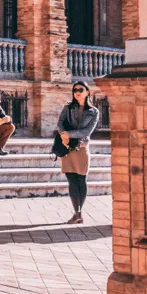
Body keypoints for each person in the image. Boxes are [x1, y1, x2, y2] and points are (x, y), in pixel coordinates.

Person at [57, 82, 100, 225]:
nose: (77, 92)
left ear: (87, 92)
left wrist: (68, 134)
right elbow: (60, 123)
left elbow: (87, 131)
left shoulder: (94, 111)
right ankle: (77, 213)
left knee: (81, 180)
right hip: (67, 147)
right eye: (75, 90)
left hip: (81, 147)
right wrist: (63, 135)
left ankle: (79, 212)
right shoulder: (68, 107)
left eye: (80, 89)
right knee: (71, 180)